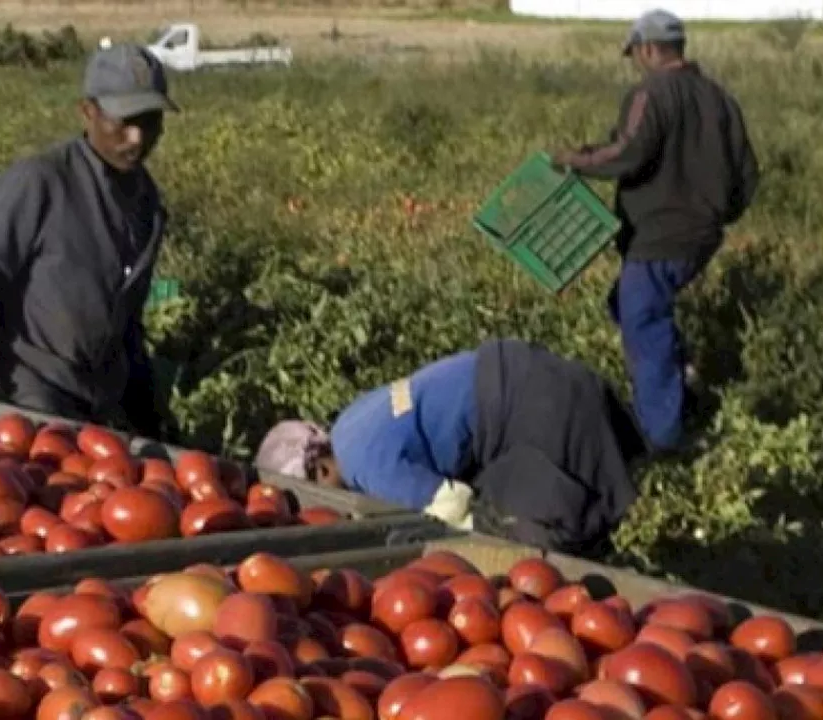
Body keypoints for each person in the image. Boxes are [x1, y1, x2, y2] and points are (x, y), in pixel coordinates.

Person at [550, 10, 759, 453]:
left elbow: (629, 153)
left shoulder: (652, 93)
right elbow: (748, 174)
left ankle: (661, 440)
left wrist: (576, 160)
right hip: (700, 236)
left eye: (636, 54)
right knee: (626, 304)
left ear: (647, 48)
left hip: (660, 236)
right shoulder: (720, 98)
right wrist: (716, 215)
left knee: (643, 320)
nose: (636, 63)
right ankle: (684, 382)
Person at [0, 44, 177, 438]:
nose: (138, 137)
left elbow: (129, 324)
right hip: (31, 392)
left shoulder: (148, 205)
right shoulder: (40, 181)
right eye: (124, 120)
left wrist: (150, 413)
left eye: (150, 120)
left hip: (97, 401)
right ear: (87, 112)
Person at [255, 339, 649, 557]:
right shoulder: (348, 426)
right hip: (518, 374)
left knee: (542, 541)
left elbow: (453, 505)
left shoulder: (367, 467)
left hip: (528, 408)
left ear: (321, 473)